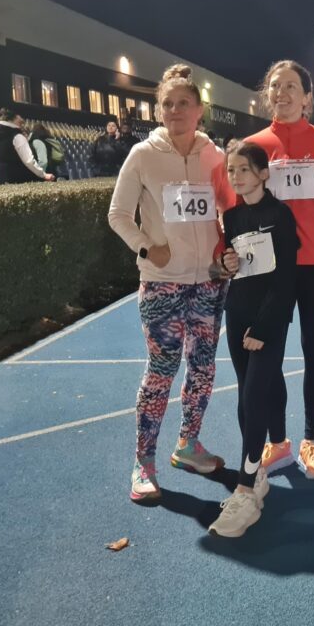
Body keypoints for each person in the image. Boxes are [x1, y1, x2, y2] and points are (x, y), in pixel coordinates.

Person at [107, 64, 237, 503]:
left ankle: (188, 445)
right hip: (163, 283)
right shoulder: (143, 155)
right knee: (161, 370)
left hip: (209, 283)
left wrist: (226, 250)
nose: (176, 110)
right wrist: (147, 248)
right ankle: (143, 462)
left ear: (200, 110)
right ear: (159, 110)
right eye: (168, 104)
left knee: (203, 370)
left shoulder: (214, 155)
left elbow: (229, 210)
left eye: (184, 103)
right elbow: (118, 215)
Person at [245, 60, 314, 479]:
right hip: (269, 269)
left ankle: (311, 440)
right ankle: (279, 441)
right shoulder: (252, 145)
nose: (281, 93)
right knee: (268, 354)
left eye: (291, 86)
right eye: (274, 86)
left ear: (307, 97)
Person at [208, 141, 299, 537]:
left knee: (254, 396)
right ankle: (256, 472)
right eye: (231, 171)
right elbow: (226, 267)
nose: (236, 176)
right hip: (238, 313)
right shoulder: (231, 217)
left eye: (244, 169)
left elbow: (286, 278)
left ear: (263, 174)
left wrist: (264, 328)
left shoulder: (281, 215)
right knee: (246, 396)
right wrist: (224, 264)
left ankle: (245, 490)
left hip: (269, 322)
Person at [0, 110, 54, 184]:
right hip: (18, 177)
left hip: (0, 176)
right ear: (16, 117)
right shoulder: (17, 136)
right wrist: (43, 174)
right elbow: (29, 161)